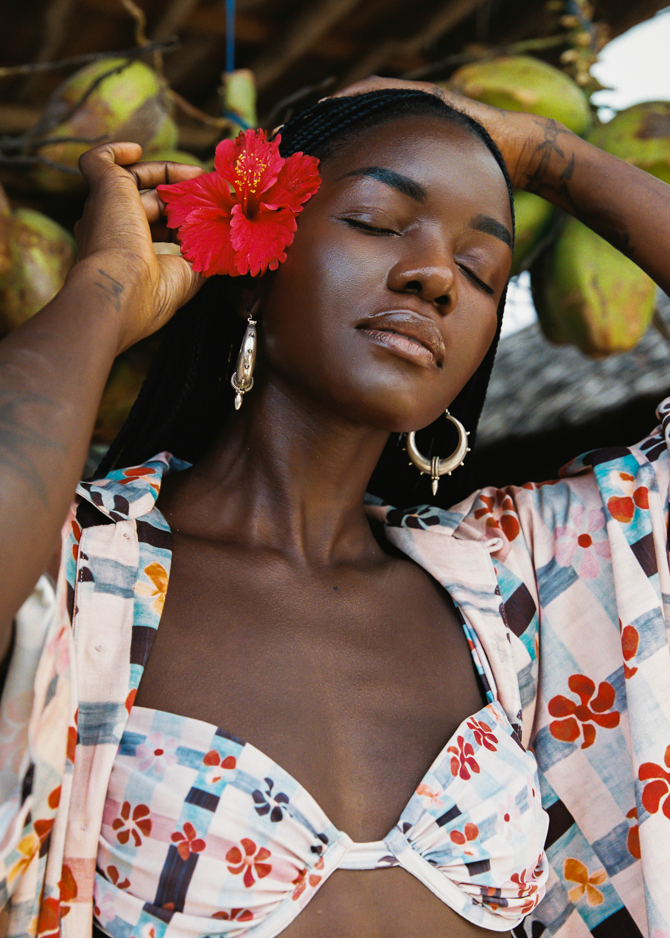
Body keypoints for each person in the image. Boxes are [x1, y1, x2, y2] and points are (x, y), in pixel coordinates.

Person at [0, 76, 667, 939]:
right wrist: (104, 287)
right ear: (253, 268)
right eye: (377, 223)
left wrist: (549, 152)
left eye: (481, 269)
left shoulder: (512, 594)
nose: (435, 278)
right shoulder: (84, 578)